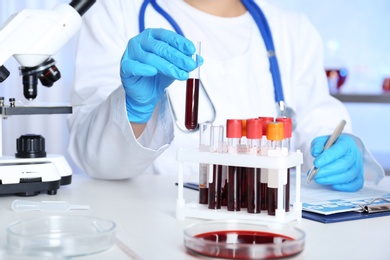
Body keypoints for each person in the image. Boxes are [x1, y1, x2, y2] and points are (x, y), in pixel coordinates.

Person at [68, 0, 384, 192]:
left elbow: (320, 125)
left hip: (268, 234)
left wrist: (340, 150)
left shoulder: (292, 31)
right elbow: (96, 160)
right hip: (152, 231)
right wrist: (132, 109)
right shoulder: (115, 11)